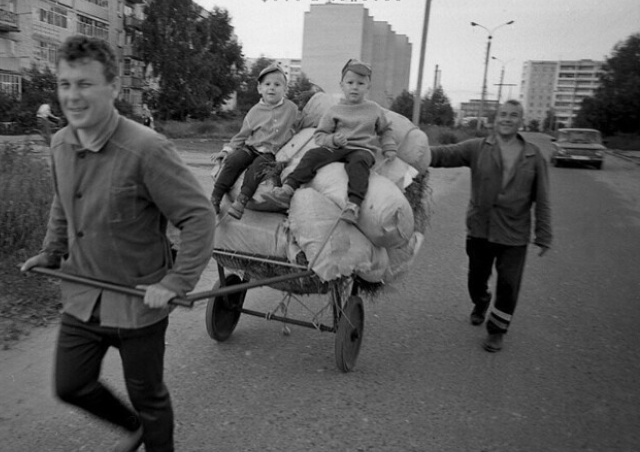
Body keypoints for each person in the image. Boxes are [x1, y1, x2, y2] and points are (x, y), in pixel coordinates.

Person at [20, 36, 215, 452]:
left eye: (84, 84)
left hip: (138, 300)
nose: (72, 96)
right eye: (65, 84)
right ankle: (135, 428)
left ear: (112, 87)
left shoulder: (146, 149)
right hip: (83, 293)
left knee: (147, 391)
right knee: (71, 384)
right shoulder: (60, 143)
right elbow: (63, 202)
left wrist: (176, 281)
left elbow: (198, 216)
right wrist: (51, 251)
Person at [428, 99, 552, 353]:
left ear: (521, 121)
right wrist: (413, 150)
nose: (507, 119)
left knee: (508, 284)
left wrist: (544, 233)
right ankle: (481, 300)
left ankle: (497, 331)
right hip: (480, 228)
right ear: (496, 120)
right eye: (503, 114)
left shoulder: (533, 155)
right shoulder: (478, 147)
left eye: (513, 115)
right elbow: (444, 154)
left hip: (514, 232)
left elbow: (543, 197)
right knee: (476, 278)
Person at [263, 59, 397, 224]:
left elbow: (385, 130)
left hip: (362, 149)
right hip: (338, 148)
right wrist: (333, 139)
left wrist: (389, 146)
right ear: (342, 85)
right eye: (350, 83)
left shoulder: (374, 109)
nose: (355, 87)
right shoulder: (334, 110)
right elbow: (320, 135)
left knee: (359, 163)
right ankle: (289, 187)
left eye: (360, 83)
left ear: (368, 87)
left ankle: (353, 205)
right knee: (312, 155)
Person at [210, 63, 299, 219]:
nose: (272, 88)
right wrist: (226, 150)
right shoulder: (255, 112)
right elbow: (242, 135)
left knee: (257, 168)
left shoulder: (291, 109)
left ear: (285, 89)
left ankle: (241, 201)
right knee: (233, 161)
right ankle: (215, 198)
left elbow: (301, 122)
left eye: (277, 85)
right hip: (251, 148)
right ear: (259, 88)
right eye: (267, 84)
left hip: (271, 153)